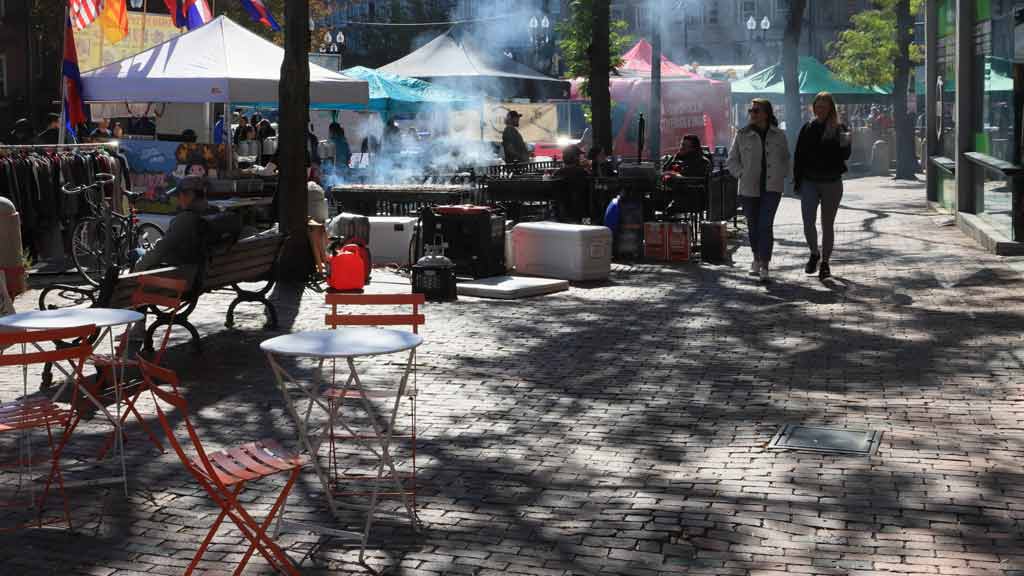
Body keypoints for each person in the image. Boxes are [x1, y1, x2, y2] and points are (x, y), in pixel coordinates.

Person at [726, 98, 790, 282]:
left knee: (765, 225)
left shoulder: (779, 135)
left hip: (772, 188)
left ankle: (765, 265)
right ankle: (755, 257)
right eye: (751, 110)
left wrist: (782, 174)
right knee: (753, 226)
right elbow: (732, 160)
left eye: (756, 110)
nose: (752, 114)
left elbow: (786, 158)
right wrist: (741, 173)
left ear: (766, 114)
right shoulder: (742, 134)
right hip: (748, 188)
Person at [794, 92, 851, 280]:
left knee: (828, 224)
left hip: (832, 182)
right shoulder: (808, 127)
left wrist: (846, 141)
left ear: (830, 109)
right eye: (817, 106)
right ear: (813, 108)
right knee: (808, 221)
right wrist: (797, 181)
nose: (820, 110)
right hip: (809, 181)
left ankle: (825, 263)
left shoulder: (840, 128)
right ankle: (814, 253)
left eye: (824, 107)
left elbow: (846, 155)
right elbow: (798, 156)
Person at [136, 176, 214, 285]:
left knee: (136, 253)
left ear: (190, 195)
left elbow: (160, 250)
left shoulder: (186, 219)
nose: (178, 199)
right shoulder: (211, 213)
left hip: (181, 280)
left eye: (180, 195)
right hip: (202, 274)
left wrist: (136, 269)